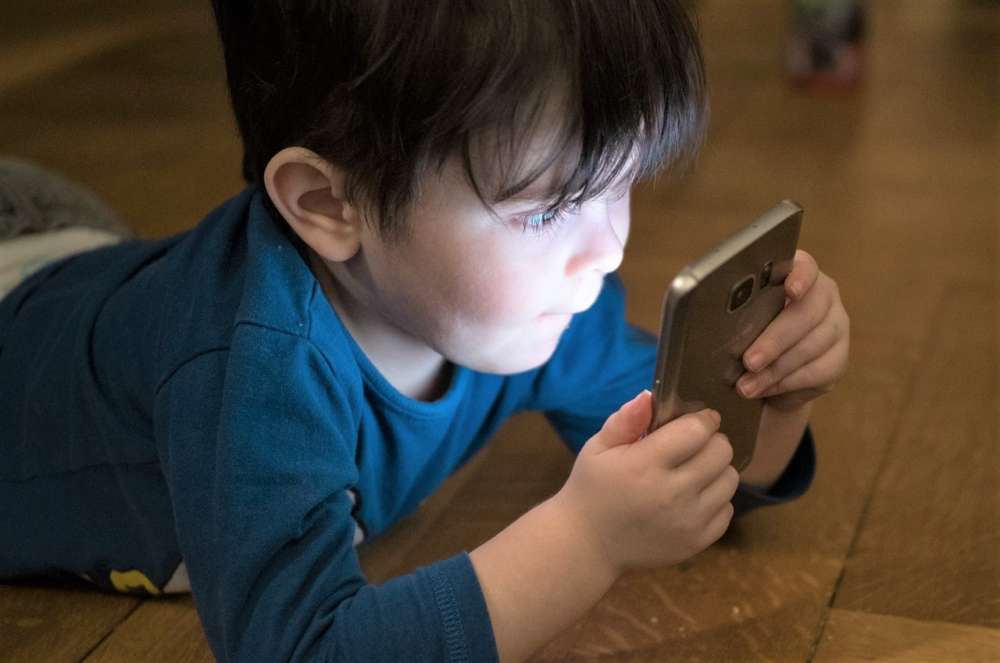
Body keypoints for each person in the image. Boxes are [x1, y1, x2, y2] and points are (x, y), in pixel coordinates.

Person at [0, 2, 850, 661]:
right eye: (550, 206)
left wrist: (774, 395)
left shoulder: (537, 303)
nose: (610, 246)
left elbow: (696, 473)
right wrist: (585, 539)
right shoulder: (254, 371)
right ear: (331, 204)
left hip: (79, 265)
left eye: (621, 181)